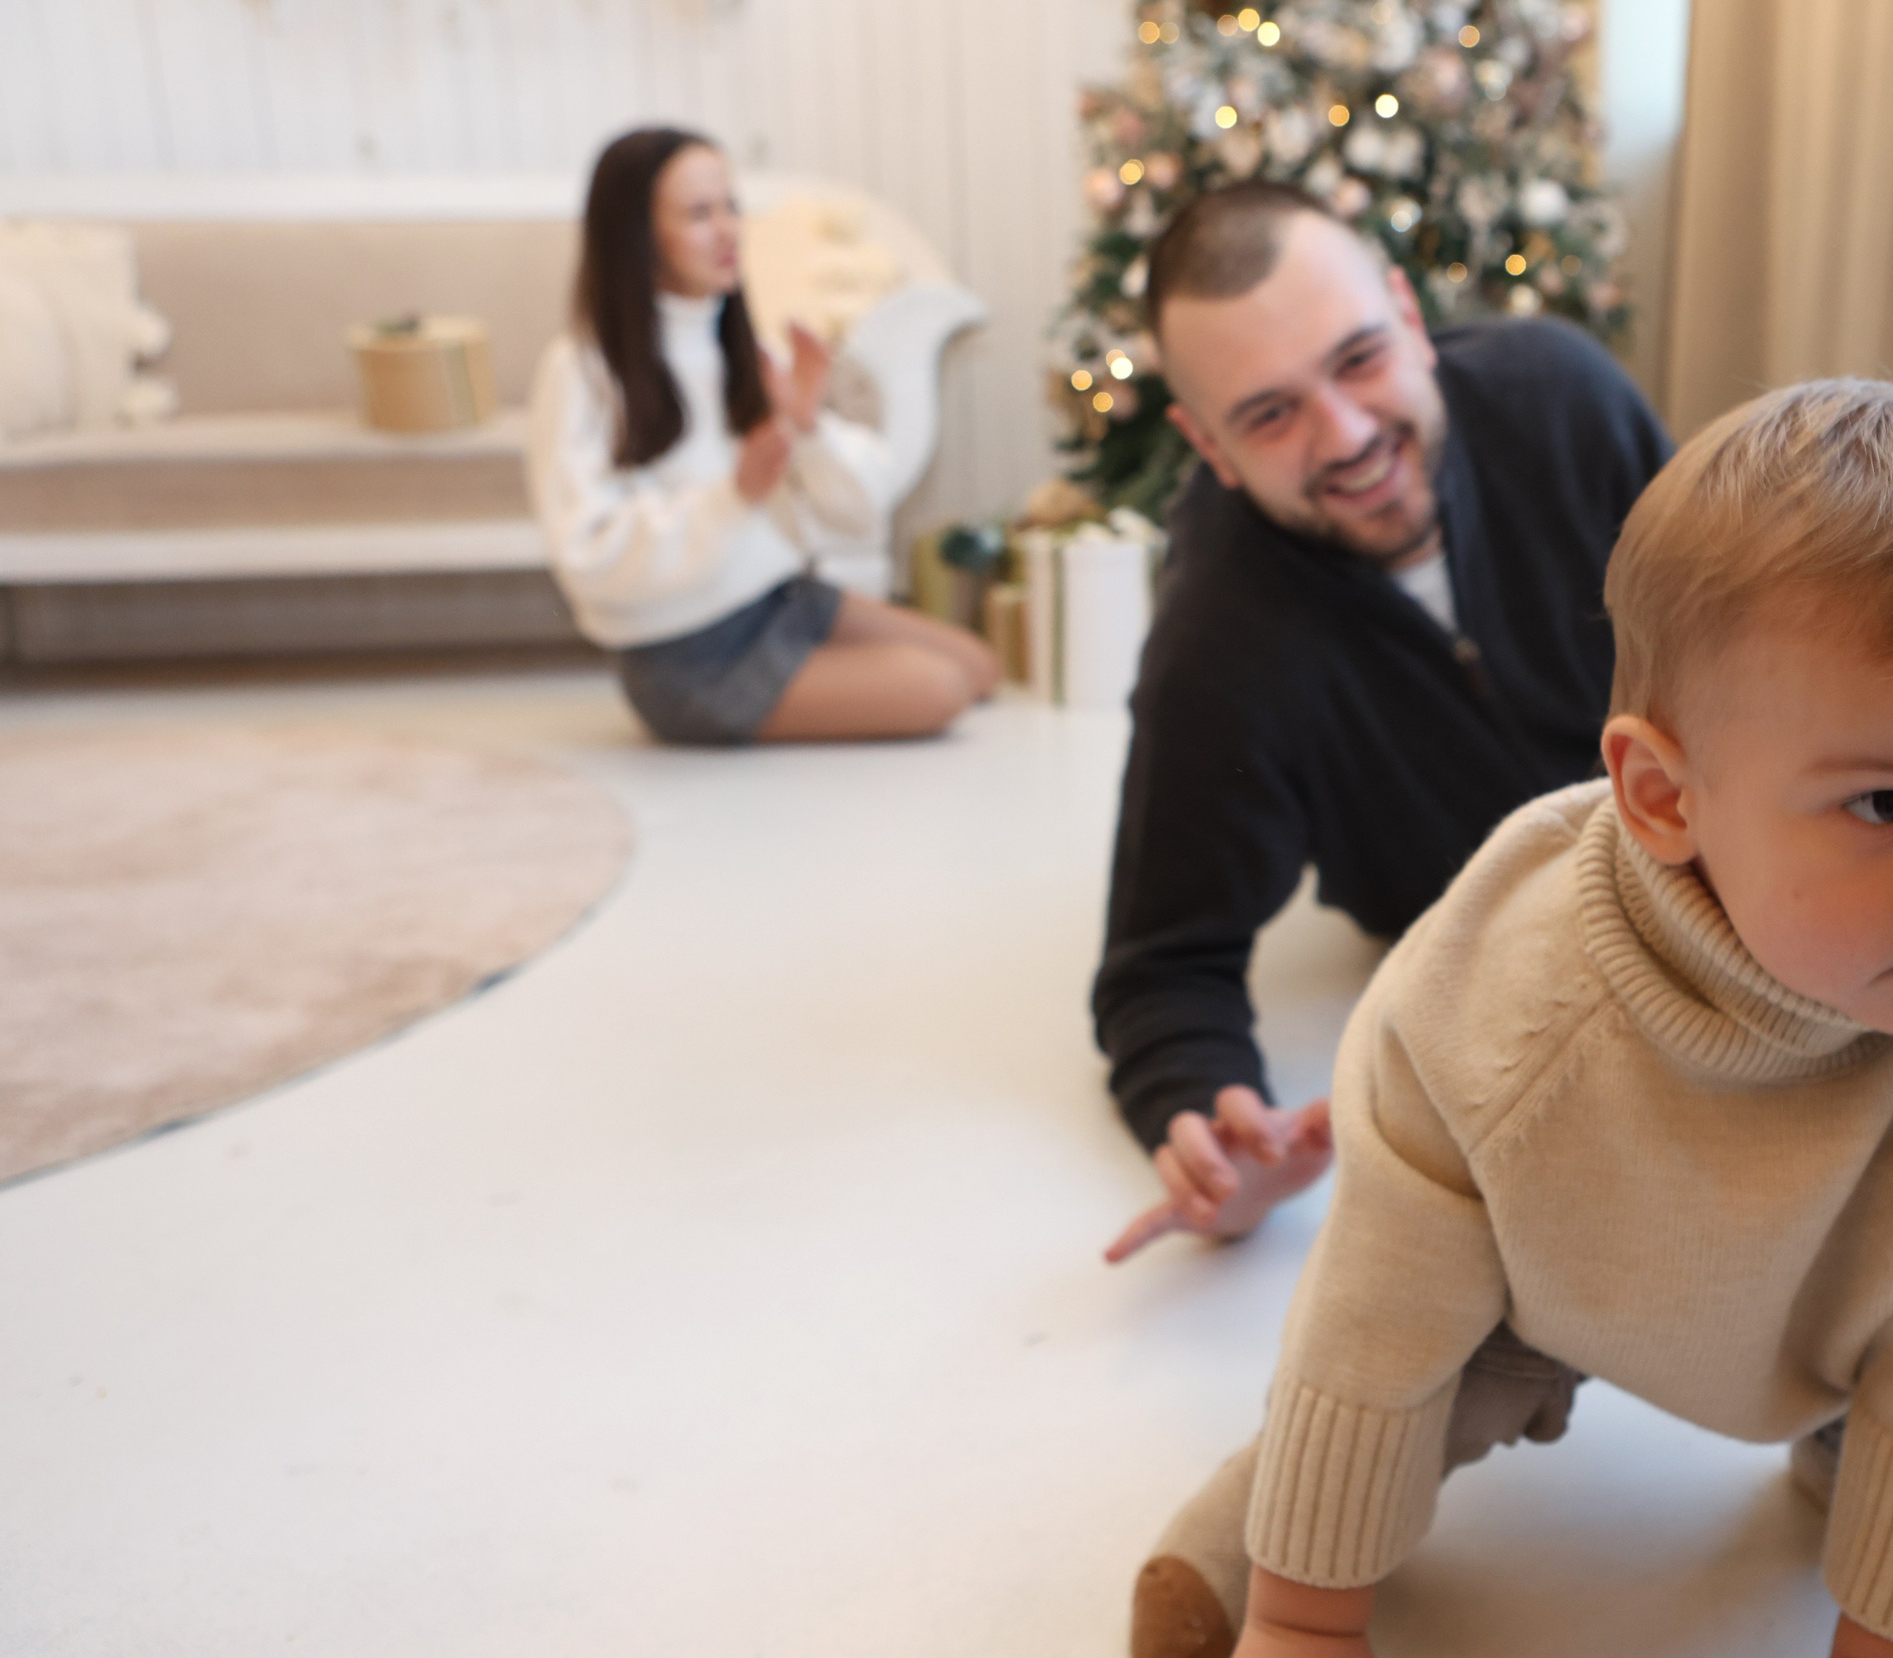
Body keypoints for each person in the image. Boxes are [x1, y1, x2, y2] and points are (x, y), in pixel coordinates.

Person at [1129, 379, 1893, 1658]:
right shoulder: (1498, 1004)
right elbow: (1374, 1323)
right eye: (1886, 805)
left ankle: (1883, 1485)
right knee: (1404, 1391)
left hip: (1833, 1330)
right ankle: (1248, 1533)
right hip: (1524, 1296)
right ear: (1662, 798)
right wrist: (1302, 1622)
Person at [1096, 183, 1674, 1262]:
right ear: (1207, 445)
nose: (1349, 435)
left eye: (1359, 359)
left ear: (1410, 318)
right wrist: (1215, 1126)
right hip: (1498, 1008)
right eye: (1270, 415)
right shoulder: (1216, 640)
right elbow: (1163, 967)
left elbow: (1751, 652)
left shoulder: (1569, 401)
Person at [527, 126, 997, 745]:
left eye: (731, 207)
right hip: (692, 657)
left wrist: (808, 431)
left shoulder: (746, 350)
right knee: (942, 688)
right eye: (700, 214)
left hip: (779, 600)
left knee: (979, 668)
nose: (729, 231)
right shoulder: (583, 371)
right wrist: (734, 496)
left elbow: (858, 509)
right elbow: (588, 556)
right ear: (637, 235)